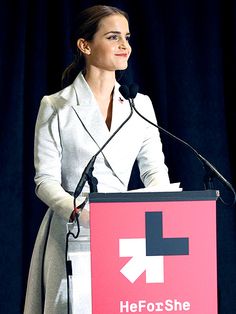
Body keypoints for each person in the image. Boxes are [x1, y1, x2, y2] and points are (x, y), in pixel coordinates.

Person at [24, 4, 172, 314]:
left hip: (129, 236)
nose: (124, 46)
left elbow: (154, 170)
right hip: (74, 229)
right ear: (85, 45)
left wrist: (162, 205)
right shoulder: (56, 105)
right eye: (113, 37)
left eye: (127, 37)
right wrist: (76, 211)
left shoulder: (139, 105)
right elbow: (44, 181)